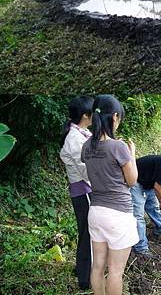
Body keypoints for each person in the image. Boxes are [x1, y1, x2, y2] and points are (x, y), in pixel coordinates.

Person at [81, 95, 138, 295]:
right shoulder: (119, 147)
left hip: (95, 212)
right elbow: (131, 181)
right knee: (115, 271)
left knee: (98, 266)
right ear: (114, 117)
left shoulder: (86, 146)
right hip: (118, 215)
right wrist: (132, 154)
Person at [59, 96, 94, 290]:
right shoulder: (74, 139)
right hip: (84, 191)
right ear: (85, 115)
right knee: (88, 233)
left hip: (86, 189)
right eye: (93, 112)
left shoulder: (83, 133)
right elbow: (86, 170)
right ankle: (84, 278)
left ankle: (82, 268)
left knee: (87, 231)